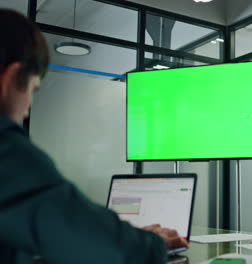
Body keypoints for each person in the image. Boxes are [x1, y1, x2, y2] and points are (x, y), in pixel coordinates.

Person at [0, 9, 187, 264]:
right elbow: (100, 243)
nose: (27, 108)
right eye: (32, 90)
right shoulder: (7, 152)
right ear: (9, 80)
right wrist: (152, 243)